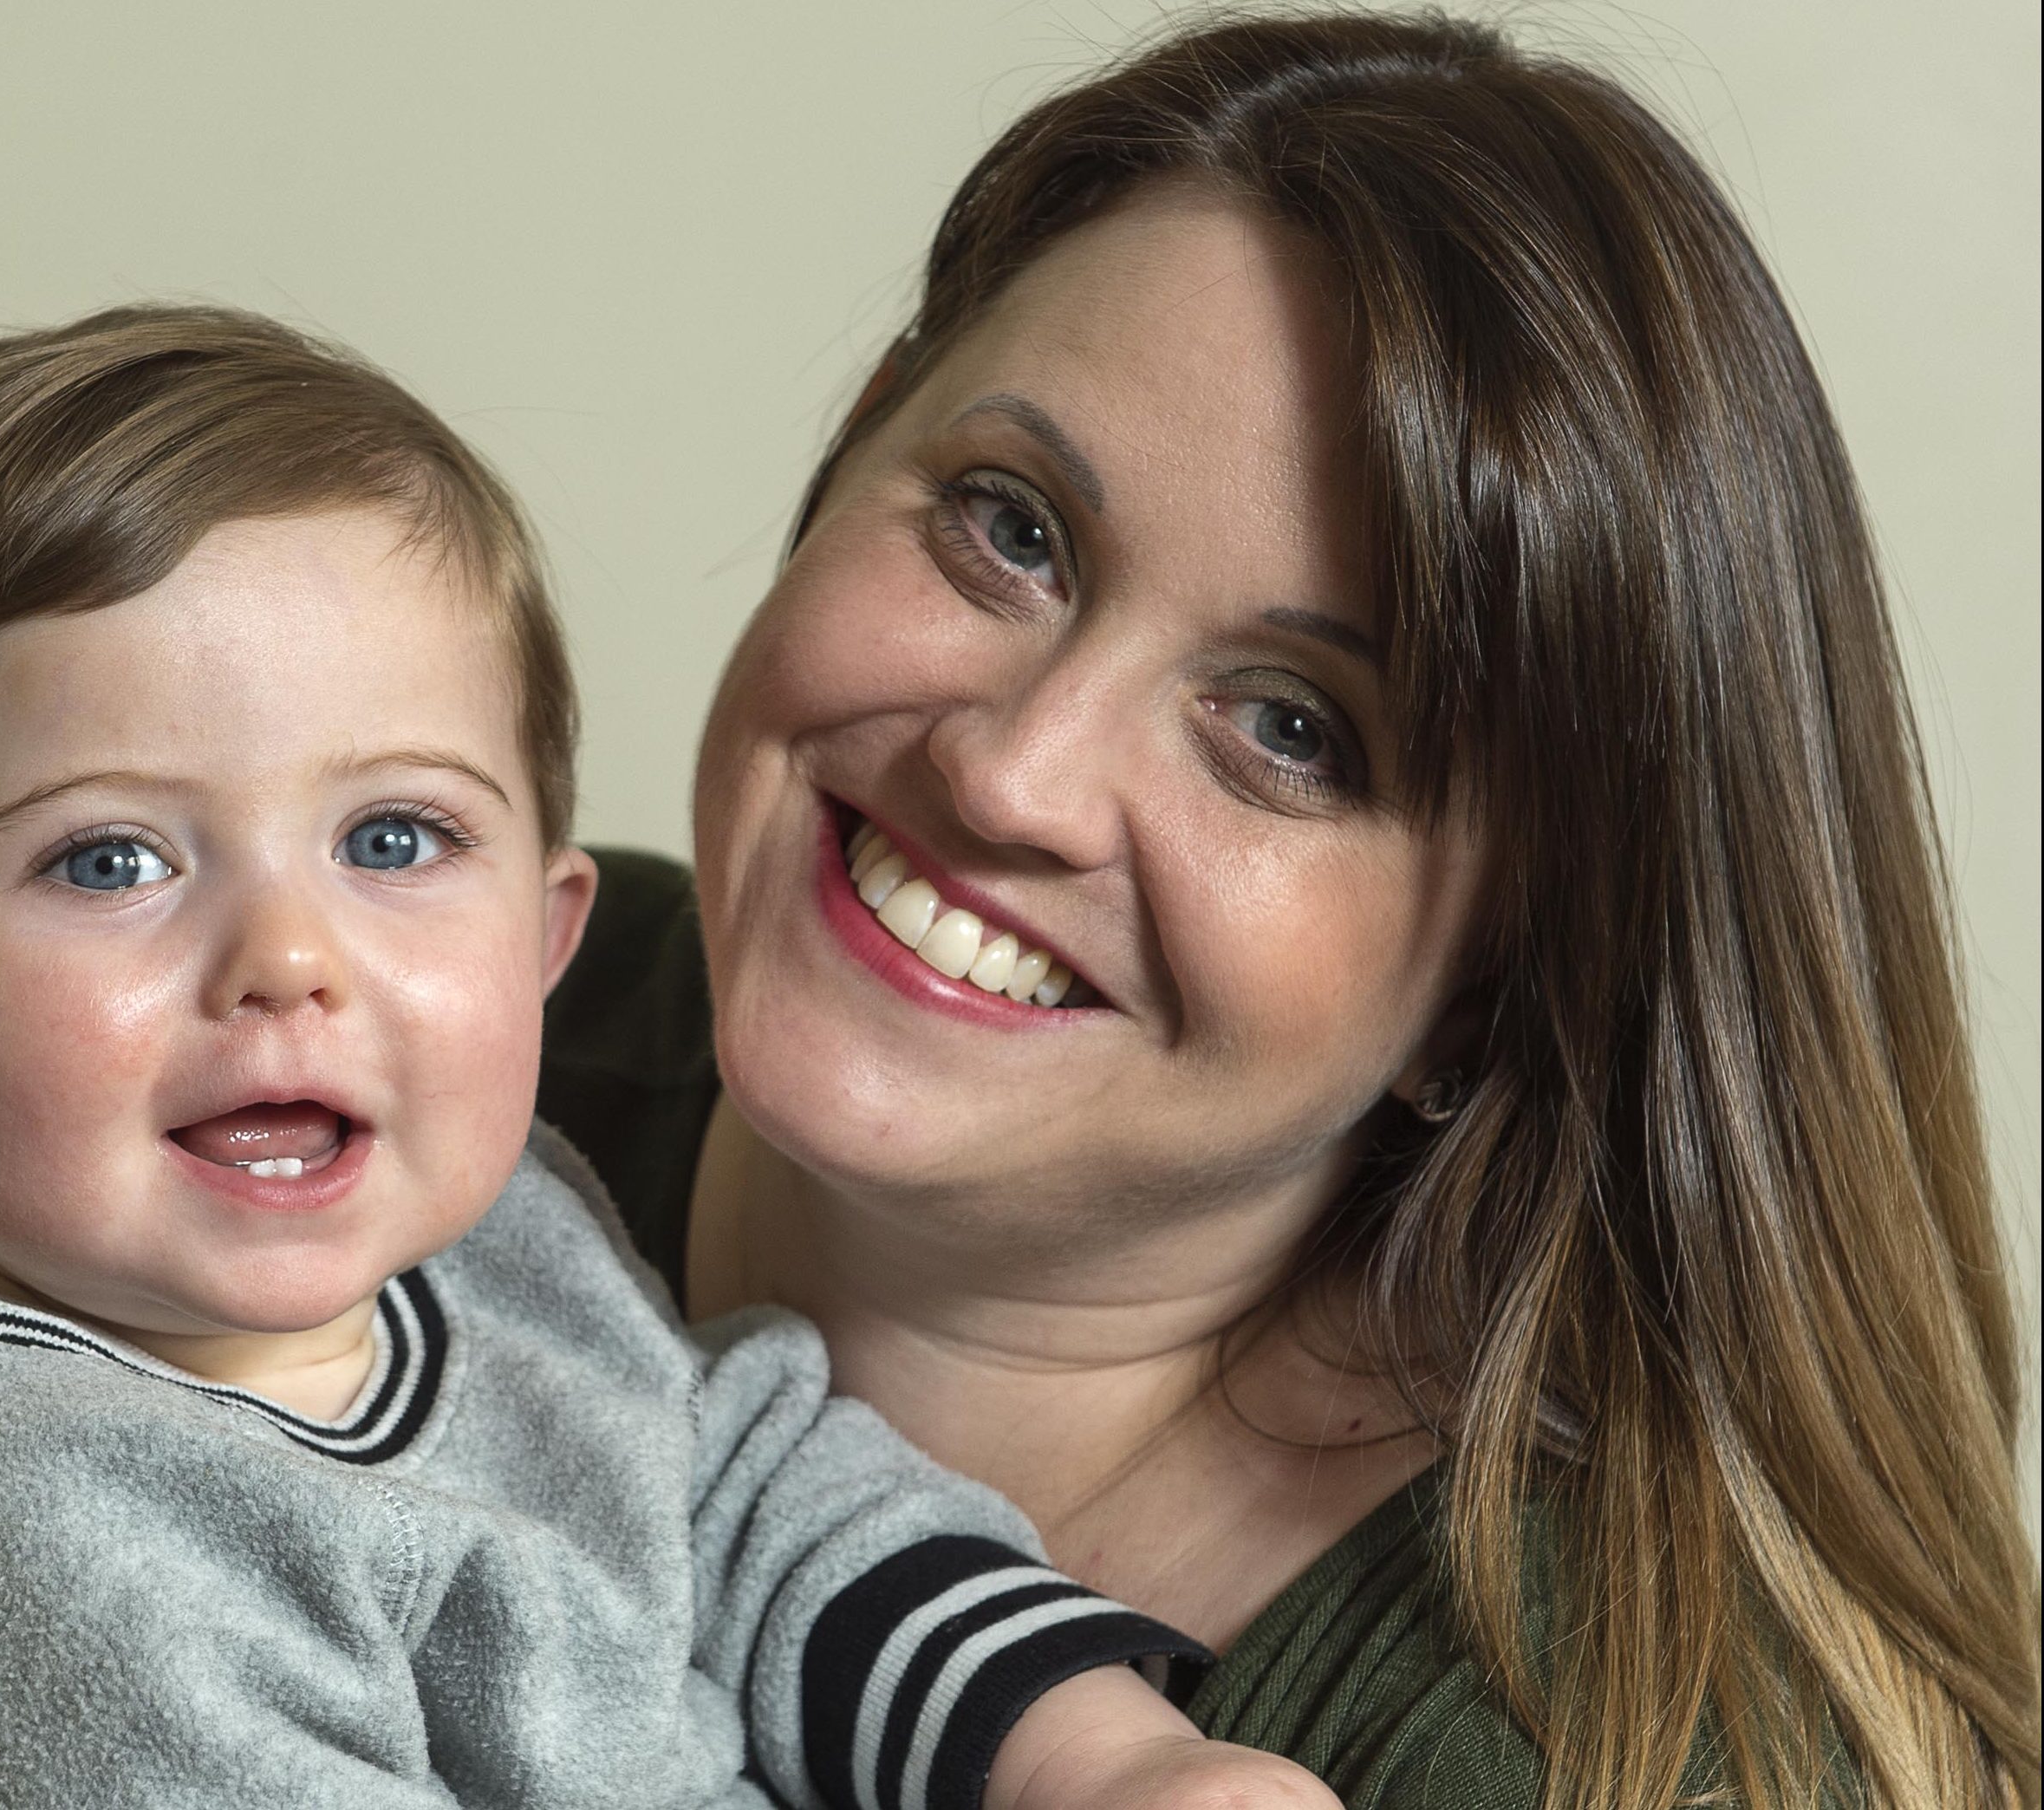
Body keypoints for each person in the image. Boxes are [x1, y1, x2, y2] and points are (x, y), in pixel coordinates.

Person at [531, 14, 2040, 1810]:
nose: (1017, 776)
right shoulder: (344, 1020)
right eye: (1010, 529)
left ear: (1500, 987)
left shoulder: (1596, 1753)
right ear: (862, 444)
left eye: (1293, 733)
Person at [0, 304, 1335, 1810]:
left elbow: (725, 1489)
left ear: (544, 938)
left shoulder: (485, 1238)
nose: (290, 962)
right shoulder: (20, 1564)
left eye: (393, 841)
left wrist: (1095, 1757)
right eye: (109, 860)